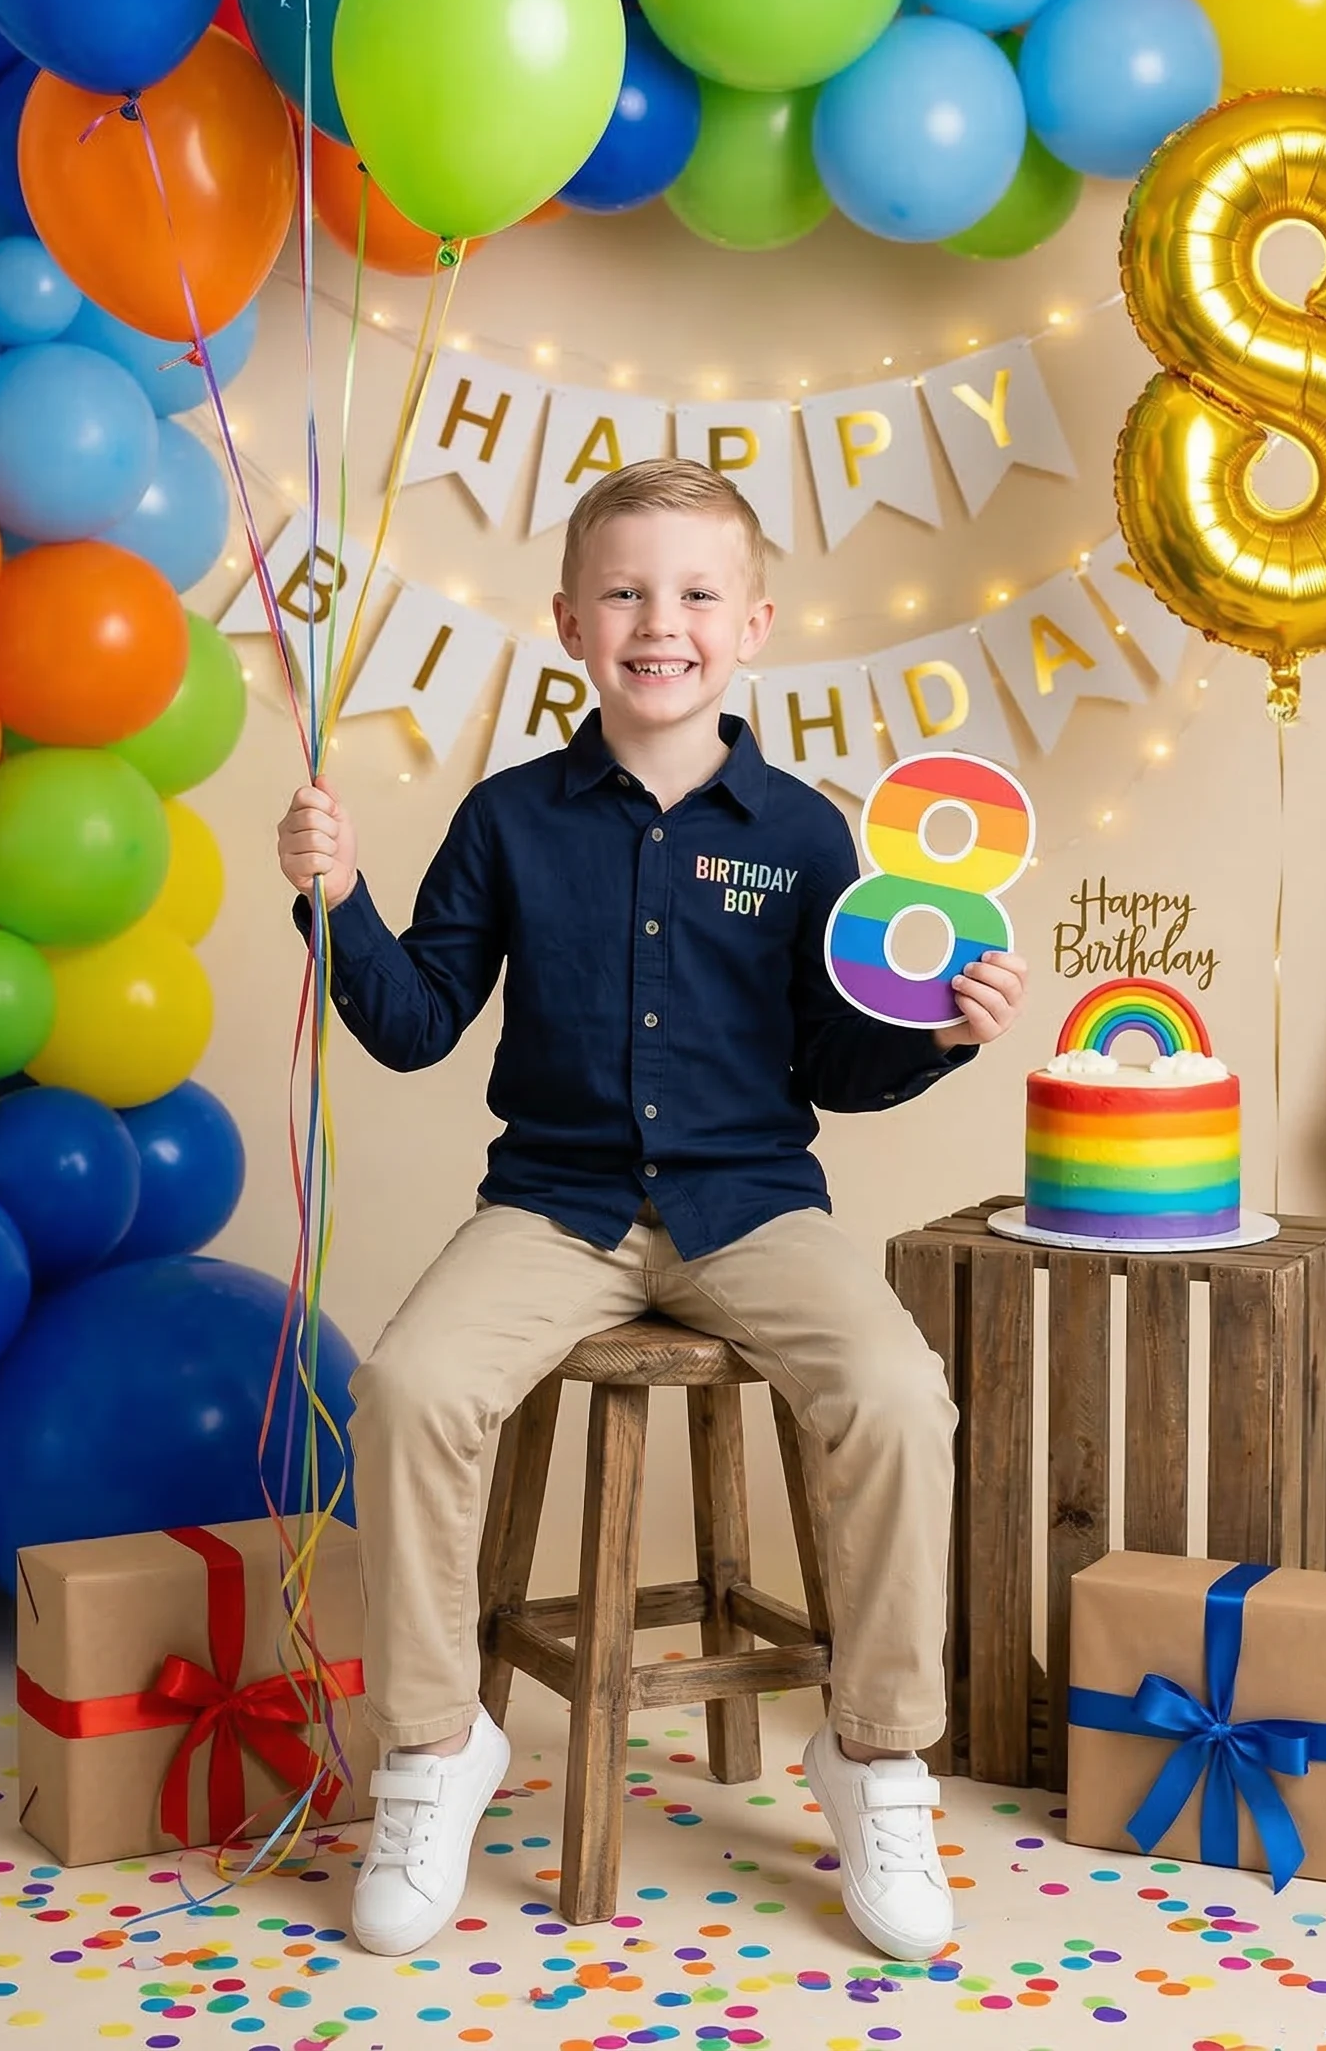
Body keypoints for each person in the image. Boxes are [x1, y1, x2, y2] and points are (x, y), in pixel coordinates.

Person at [276, 457, 1027, 1964]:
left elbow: (835, 1060)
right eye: (624, 591)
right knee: (413, 1388)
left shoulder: (809, 836)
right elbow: (420, 1025)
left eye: (693, 595)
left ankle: (878, 1759)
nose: (658, 622)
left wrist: (940, 1036)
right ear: (568, 620)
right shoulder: (507, 819)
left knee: (895, 1394)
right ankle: (436, 1750)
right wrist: (340, 898)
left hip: (754, 1209)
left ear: (752, 625)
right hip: (552, 1210)